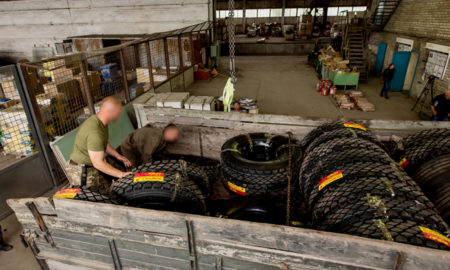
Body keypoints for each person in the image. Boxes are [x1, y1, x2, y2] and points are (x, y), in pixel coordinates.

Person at [67, 97, 132, 190]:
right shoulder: (95, 132)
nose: (119, 115)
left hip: (92, 166)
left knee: (107, 190)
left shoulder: (100, 122)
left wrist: (117, 156)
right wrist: (121, 174)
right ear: (110, 112)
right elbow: (98, 163)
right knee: (94, 200)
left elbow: (103, 142)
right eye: (118, 112)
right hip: (82, 172)